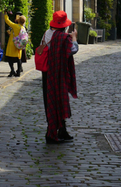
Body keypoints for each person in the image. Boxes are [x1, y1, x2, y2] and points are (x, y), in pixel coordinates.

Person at [41, 10, 78, 144]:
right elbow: (73, 50)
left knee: (51, 101)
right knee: (59, 100)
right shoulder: (64, 38)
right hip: (58, 73)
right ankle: (51, 134)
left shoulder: (47, 34)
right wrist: (74, 38)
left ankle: (61, 130)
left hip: (47, 73)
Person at [4, 13, 28, 77]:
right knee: (18, 59)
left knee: (9, 58)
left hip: (12, 44)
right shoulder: (23, 27)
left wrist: (5, 14)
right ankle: (18, 72)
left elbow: (7, 21)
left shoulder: (16, 26)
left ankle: (12, 70)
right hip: (19, 45)